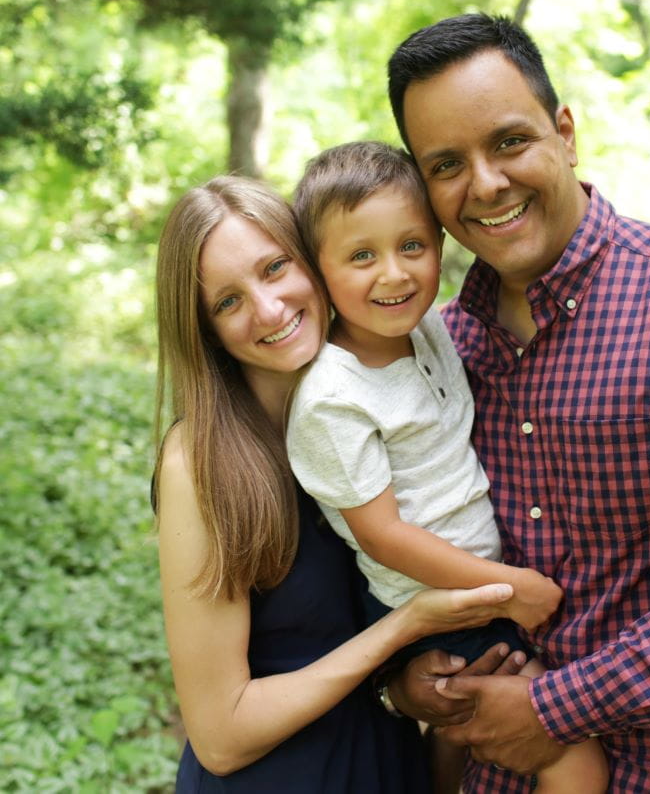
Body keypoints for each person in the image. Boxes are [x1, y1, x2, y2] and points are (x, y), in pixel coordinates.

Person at [383, 13, 650, 792]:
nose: (484, 183)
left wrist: (554, 709)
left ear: (564, 132)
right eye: (447, 164)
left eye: (509, 142)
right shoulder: (437, 350)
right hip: (492, 772)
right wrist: (411, 670)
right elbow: (423, 547)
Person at [152, 174, 519, 793]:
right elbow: (221, 736)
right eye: (228, 301)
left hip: (386, 762)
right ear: (205, 330)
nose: (269, 310)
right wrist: (402, 630)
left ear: (316, 263)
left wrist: (402, 685)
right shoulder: (200, 465)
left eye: (274, 269)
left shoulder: (375, 411)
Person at [286, 141, 608, 794]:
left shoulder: (430, 328)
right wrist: (507, 587)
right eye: (360, 257)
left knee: (460, 747)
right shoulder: (333, 396)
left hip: (469, 589)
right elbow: (384, 535)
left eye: (412, 246)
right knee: (576, 761)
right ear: (318, 271)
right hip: (436, 601)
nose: (394, 275)